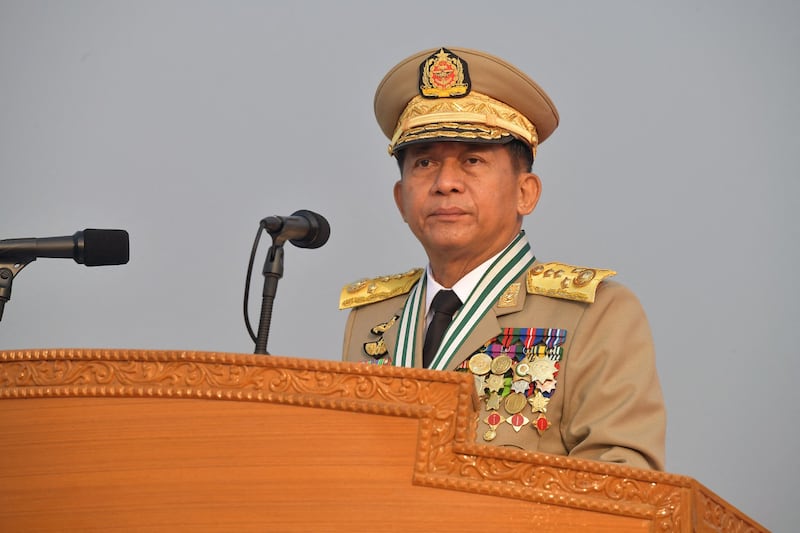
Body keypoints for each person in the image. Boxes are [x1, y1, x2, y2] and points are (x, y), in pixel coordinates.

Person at [339, 46, 665, 471]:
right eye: (424, 163)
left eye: (472, 160)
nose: (445, 183)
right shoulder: (372, 318)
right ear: (402, 200)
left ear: (525, 192)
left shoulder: (595, 313)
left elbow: (622, 482)